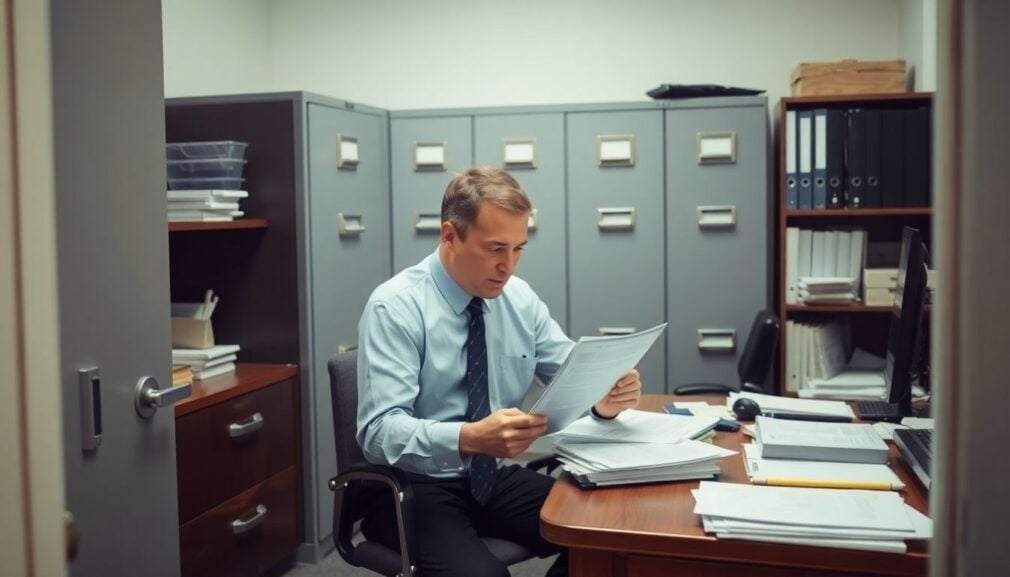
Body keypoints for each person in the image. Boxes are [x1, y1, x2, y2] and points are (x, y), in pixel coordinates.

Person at [356, 166, 643, 577]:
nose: (507, 266)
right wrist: (468, 438)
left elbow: (570, 373)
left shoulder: (518, 299)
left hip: (491, 477)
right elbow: (378, 432)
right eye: (495, 249)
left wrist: (604, 396)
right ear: (449, 236)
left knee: (608, 530)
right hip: (416, 485)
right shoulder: (396, 306)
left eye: (518, 249)